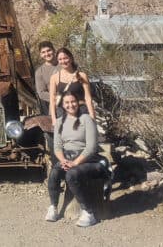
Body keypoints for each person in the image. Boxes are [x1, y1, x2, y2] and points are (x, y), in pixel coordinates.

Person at [45, 92, 107, 227]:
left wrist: (75, 163)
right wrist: (63, 161)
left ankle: (89, 213)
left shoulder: (86, 119)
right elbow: (57, 147)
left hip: (90, 161)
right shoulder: (60, 122)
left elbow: (91, 147)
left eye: (73, 101)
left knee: (71, 175)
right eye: (67, 102)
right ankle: (53, 207)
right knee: (55, 173)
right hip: (67, 159)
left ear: (77, 102)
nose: (70, 105)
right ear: (62, 105)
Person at [48, 47, 95, 126]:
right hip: (63, 113)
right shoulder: (54, 78)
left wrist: (92, 116)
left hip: (81, 112)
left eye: (65, 58)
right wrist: (53, 119)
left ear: (71, 58)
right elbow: (52, 100)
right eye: (60, 59)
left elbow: (88, 98)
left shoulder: (82, 76)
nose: (63, 61)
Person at [35, 41, 58, 115]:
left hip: (74, 105)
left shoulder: (64, 64)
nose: (47, 54)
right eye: (43, 52)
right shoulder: (39, 72)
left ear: (53, 50)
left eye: (49, 50)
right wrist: (59, 98)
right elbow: (41, 93)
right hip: (55, 109)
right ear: (40, 55)